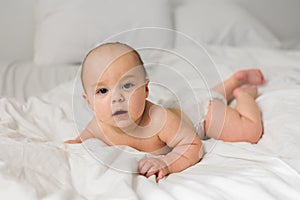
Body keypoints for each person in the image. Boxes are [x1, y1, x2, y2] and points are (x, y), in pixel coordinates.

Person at [65, 42, 265, 182]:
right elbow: (87, 136)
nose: (116, 97)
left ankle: (243, 94)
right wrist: (75, 143)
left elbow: (193, 144)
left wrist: (167, 163)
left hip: (202, 113)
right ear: (89, 101)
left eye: (127, 85)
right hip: (185, 102)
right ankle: (231, 82)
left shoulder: (158, 119)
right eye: (102, 91)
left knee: (249, 132)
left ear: (145, 89)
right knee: (205, 94)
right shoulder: (99, 123)